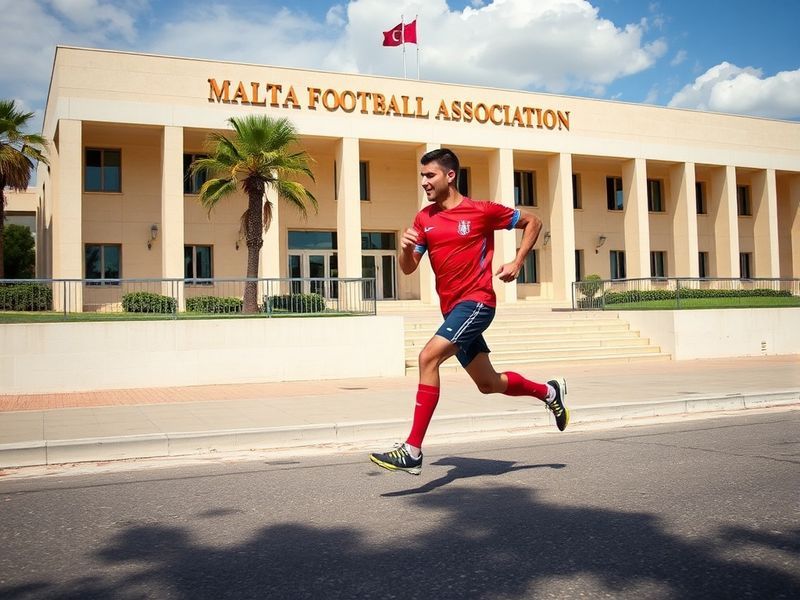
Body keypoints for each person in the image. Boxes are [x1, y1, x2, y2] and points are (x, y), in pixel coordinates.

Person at [369, 148, 569, 476]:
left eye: (429, 175)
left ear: (450, 176)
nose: (424, 182)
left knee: (427, 358)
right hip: (452, 312)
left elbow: (534, 221)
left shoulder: (481, 211)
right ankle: (549, 391)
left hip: (477, 303)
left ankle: (412, 450)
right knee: (488, 383)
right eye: (422, 176)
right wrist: (403, 249)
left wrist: (518, 261)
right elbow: (408, 269)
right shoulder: (424, 219)